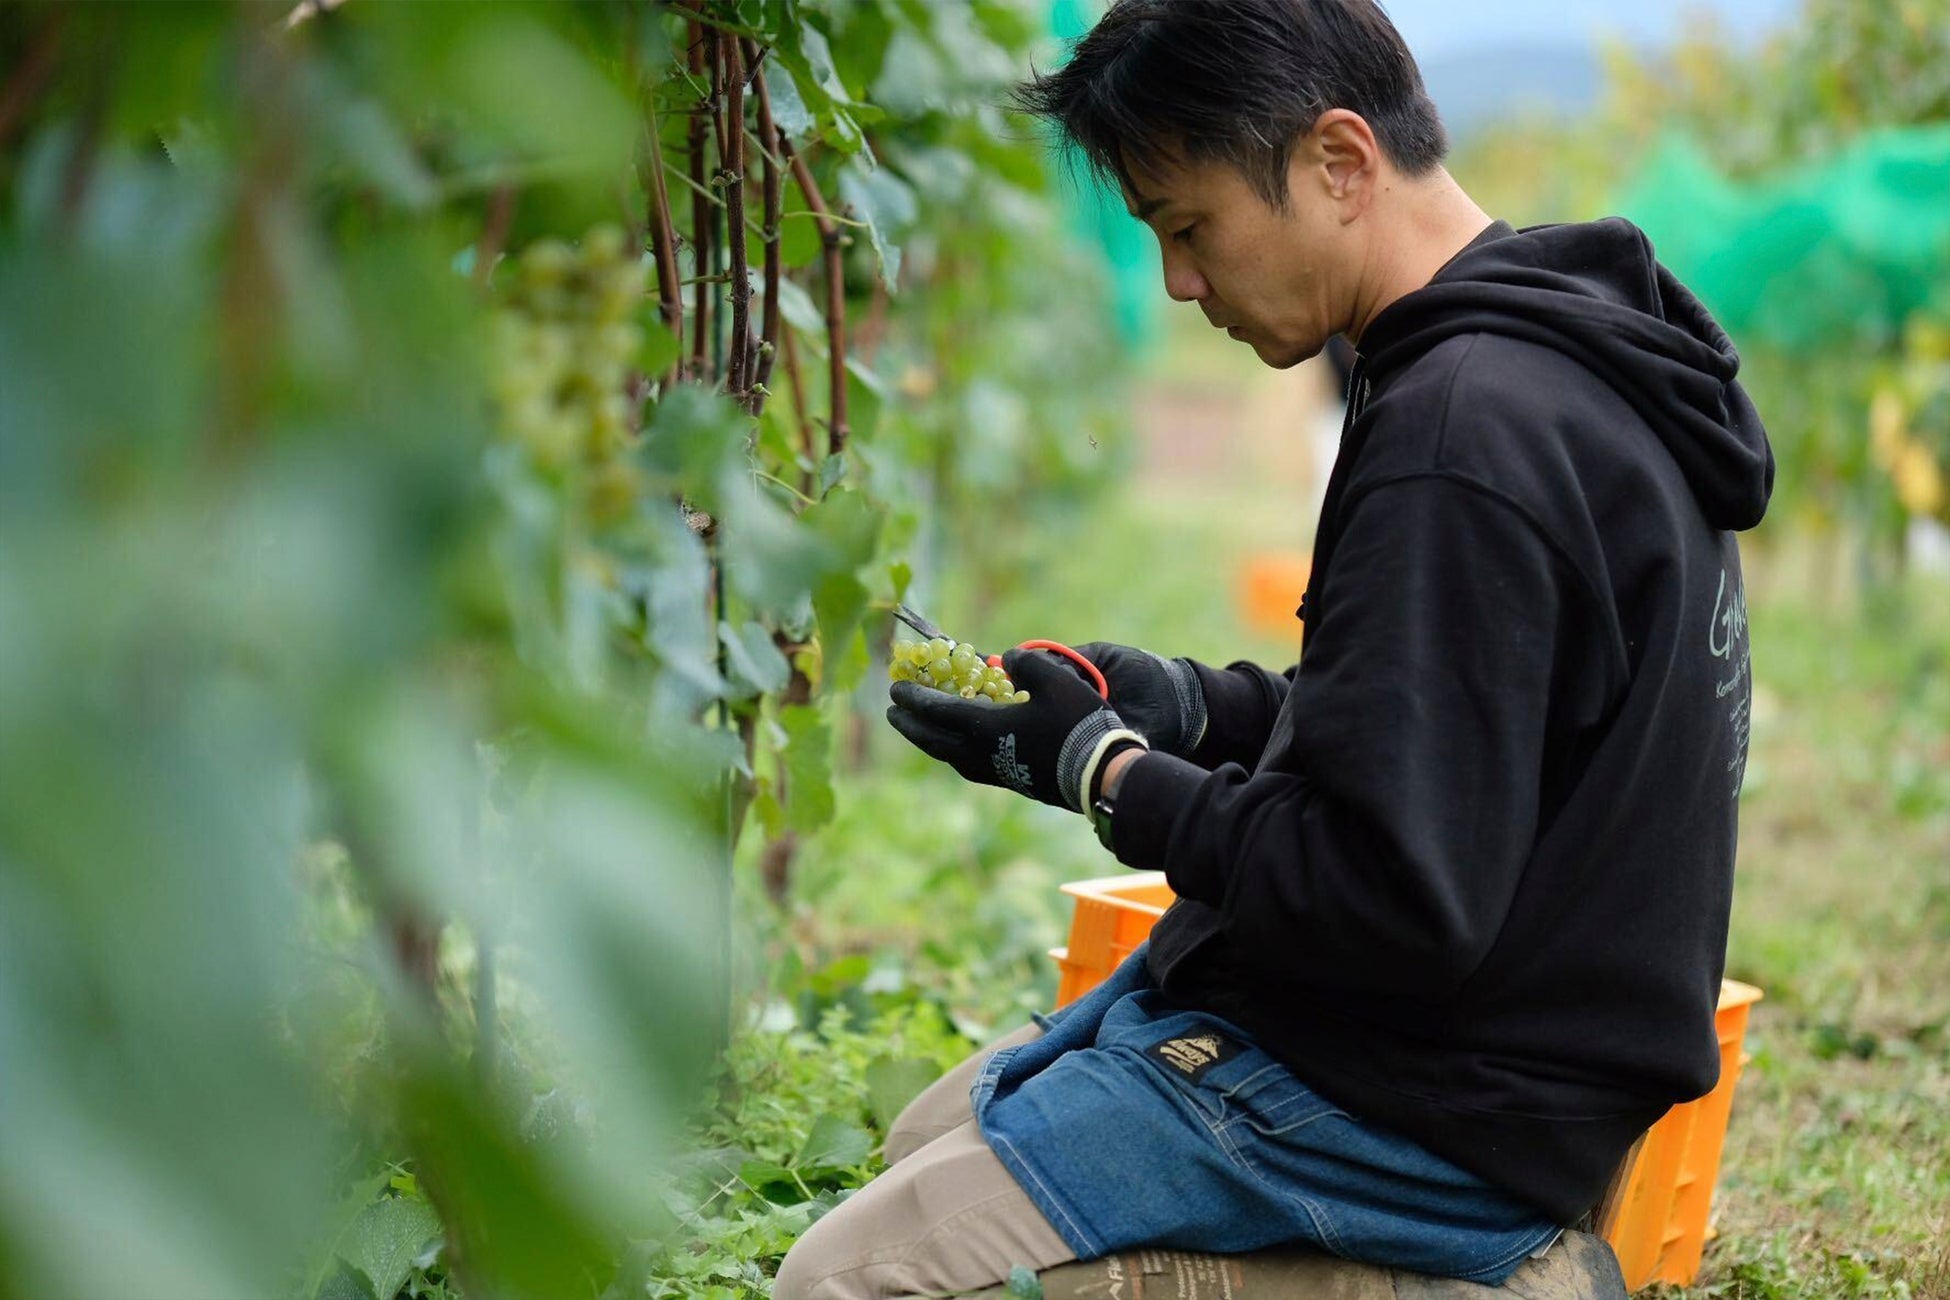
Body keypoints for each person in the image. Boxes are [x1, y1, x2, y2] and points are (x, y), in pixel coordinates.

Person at [774, 1, 1773, 1296]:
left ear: (1339, 162)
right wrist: (1185, 707)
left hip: (1419, 1112)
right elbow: (1456, 723)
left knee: (841, 1282)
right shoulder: (1551, 367)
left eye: (1190, 229)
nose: (1181, 284)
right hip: (1491, 1071)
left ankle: (1483, 1283)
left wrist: (1100, 771)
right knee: (921, 1144)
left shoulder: (1458, 437)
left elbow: (1387, 898)